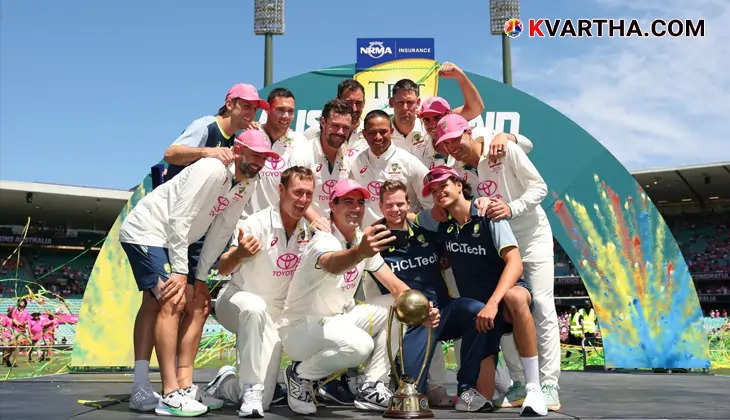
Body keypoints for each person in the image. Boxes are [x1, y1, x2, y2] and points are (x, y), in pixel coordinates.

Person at [119, 129, 277, 416]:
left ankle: (185, 384)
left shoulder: (247, 182)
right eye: (254, 155)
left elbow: (221, 230)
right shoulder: (212, 170)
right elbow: (180, 219)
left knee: (200, 304)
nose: (259, 162)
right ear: (238, 149)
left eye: (264, 158)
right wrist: (180, 272)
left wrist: (201, 277)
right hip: (147, 231)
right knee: (173, 299)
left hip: (178, 238)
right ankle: (167, 393)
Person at [149, 83, 270, 413]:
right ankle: (151, 385)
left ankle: (185, 384)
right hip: (174, 224)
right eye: (245, 107)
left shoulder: (242, 147)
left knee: (199, 304)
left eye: (254, 108)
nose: (251, 113)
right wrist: (208, 151)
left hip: (199, 231)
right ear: (229, 104)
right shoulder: (207, 127)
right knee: (164, 304)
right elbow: (170, 154)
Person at [279, 179, 439, 415]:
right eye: (347, 202)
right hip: (302, 330)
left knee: (396, 307)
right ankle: (300, 374)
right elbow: (332, 264)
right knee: (360, 346)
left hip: (337, 320)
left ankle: (372, 385)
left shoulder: (360, 238)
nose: (355, 208)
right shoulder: (323, 239)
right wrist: (359, 252)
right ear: (332, 206)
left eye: (360, 202)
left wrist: (422, 310)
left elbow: (395, 286)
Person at [435, 113, 561, 410]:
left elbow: (539, 187)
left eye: (456, 140)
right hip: (495, 243)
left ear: (469, 131)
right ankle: (518, 381)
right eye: (446, 144)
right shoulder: (458, 170)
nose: (452, 148)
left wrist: (511, 207)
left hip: (530, 238)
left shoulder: (502, 148)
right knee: (499, 306)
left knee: (540, 305)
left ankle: (549, 384)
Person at [415, 166, 547, 416]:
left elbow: (515, 263)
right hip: (481, 315)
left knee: (515, 297)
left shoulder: (489, 213)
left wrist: (494, 303)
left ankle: (534, 388)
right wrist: (431, 212)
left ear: (458, 184)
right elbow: (414, 219)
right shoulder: (439, 222)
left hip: (502, 302)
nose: (438, 192)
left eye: (443, 185)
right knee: (480, 401)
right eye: (433, 190)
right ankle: (502, 384)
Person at [202, 166, 316, 418]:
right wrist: (240, 253)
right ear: (281, 190)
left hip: (274, 315)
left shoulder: (309, 231)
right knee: (254, 307)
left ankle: (226, 384)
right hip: (236, 301)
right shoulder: (255, 222)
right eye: (298, 192)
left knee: (263, 402)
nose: (303, 200)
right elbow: (223, 267)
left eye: (309, 194)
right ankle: (251, 387)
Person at [376, 180, 496, 405]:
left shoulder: (426, 232)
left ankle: (466, 390)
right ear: (380, 206)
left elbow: (456, 234)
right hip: (412, 320)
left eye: (400, 204)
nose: (395, 210)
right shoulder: (375, 241)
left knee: (477, 311)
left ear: (409, 204)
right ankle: (411, 389)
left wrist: (483, 202)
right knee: (412, 398)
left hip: (444, 310)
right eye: (389, 205)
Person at [349, 110, 433, 228]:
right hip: (369, 239)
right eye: (372, 132)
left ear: (392, 132)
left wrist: (413, 220)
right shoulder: (356, 162)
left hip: (404, 240)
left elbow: (432, 205)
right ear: (364, 134)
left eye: (383, 132)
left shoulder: (409, 162)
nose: (378, 137)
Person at [390, 63, 485, 162]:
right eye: (400, 102)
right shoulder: (383, 132)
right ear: (392, 102)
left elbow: (476, 108)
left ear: (418, 102)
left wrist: (460, 76)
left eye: (409, 102)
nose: (405, 107)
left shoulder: (435, 120)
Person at [245, 88, 308, 215]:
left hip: (280, 223)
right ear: (267, 110)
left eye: (290, 111)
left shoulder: (300, 141)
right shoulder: (252, 134)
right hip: (247, 220)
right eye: (280, 110)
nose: (286, 116)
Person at [289, 99, 354, 217]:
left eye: (345, 128)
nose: (340, 132)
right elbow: (293, 195)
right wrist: (317, 221)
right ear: (323, 122)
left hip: (336, 230)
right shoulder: (301, 153)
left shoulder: (348, 157)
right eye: (335, 126)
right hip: (304, 229)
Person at [304, 79, 368, 156]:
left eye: (358, 103)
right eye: (349, 102)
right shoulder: (314, 132)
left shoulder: (371, 134)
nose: (354, 108)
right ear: (338, 100)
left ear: (364, 103)